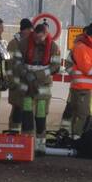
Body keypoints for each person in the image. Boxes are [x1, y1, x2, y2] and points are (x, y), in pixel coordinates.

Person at [14, 23, 61, 154]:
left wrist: (38, 75)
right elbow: (16, 62)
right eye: (35, 37)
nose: (37, 40)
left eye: (40, 38)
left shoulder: (53, 47)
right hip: (27, 86)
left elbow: (55, 66)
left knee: (41, 116)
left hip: (42, 86)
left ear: (46, 35)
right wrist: (25, 73)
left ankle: (40, 146)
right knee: (27, 115)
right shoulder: (23, 43)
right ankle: (26, 145)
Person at [59, 23, 92, 136]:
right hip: (83, 88)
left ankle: (78, 136)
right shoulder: (82, 47)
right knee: (81, 114)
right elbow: (87, 68)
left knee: (86, 115)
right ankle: (74, 137)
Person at [5, 18, 33, 131]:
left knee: (26, 111)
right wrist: (12, 81)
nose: (31, 33)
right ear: (23, 30)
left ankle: (23, 136)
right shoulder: (13, 44)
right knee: (17, 110)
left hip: (26, 84)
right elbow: (8, 64)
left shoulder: (29, 43)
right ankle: (13, 133)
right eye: (29, 30)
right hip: (16, 84)